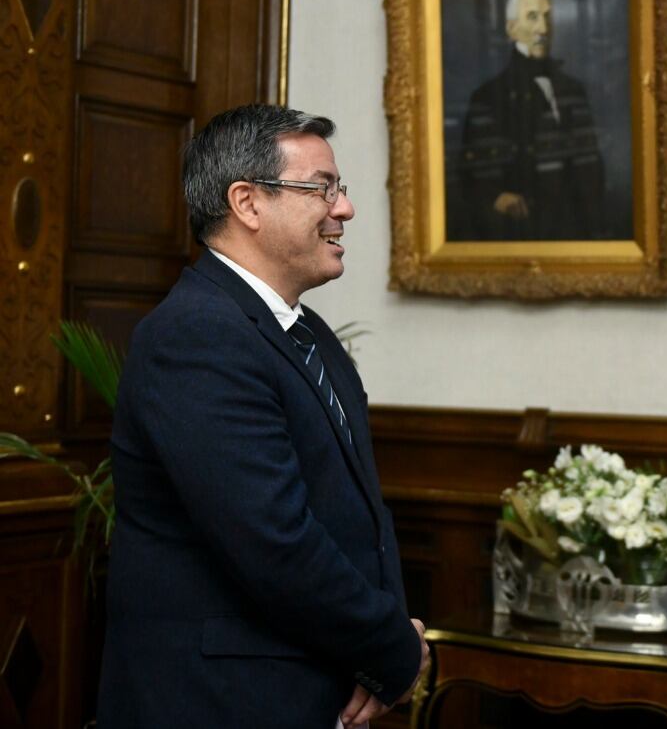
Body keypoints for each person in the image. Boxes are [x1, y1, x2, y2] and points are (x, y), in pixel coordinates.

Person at [97, 105, 430, 729]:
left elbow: (358, 515)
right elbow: (274, 540)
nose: (344, 209)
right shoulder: (196, 336)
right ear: (247, 203)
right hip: (221, 701)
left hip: (309, 685)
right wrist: (394, 650)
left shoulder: (306, 332)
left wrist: (381, 651)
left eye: (342, 189)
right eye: (321, 188)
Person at [453, 0, 607, 241]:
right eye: (532, 17)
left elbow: (592, 167)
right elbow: (471, 181)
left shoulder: (574, 91)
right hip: (522, 235)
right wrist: (497, 198)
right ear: (512, 29)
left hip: (577, 236)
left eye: (547, 17)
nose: (543, 28)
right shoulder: (488, 98)